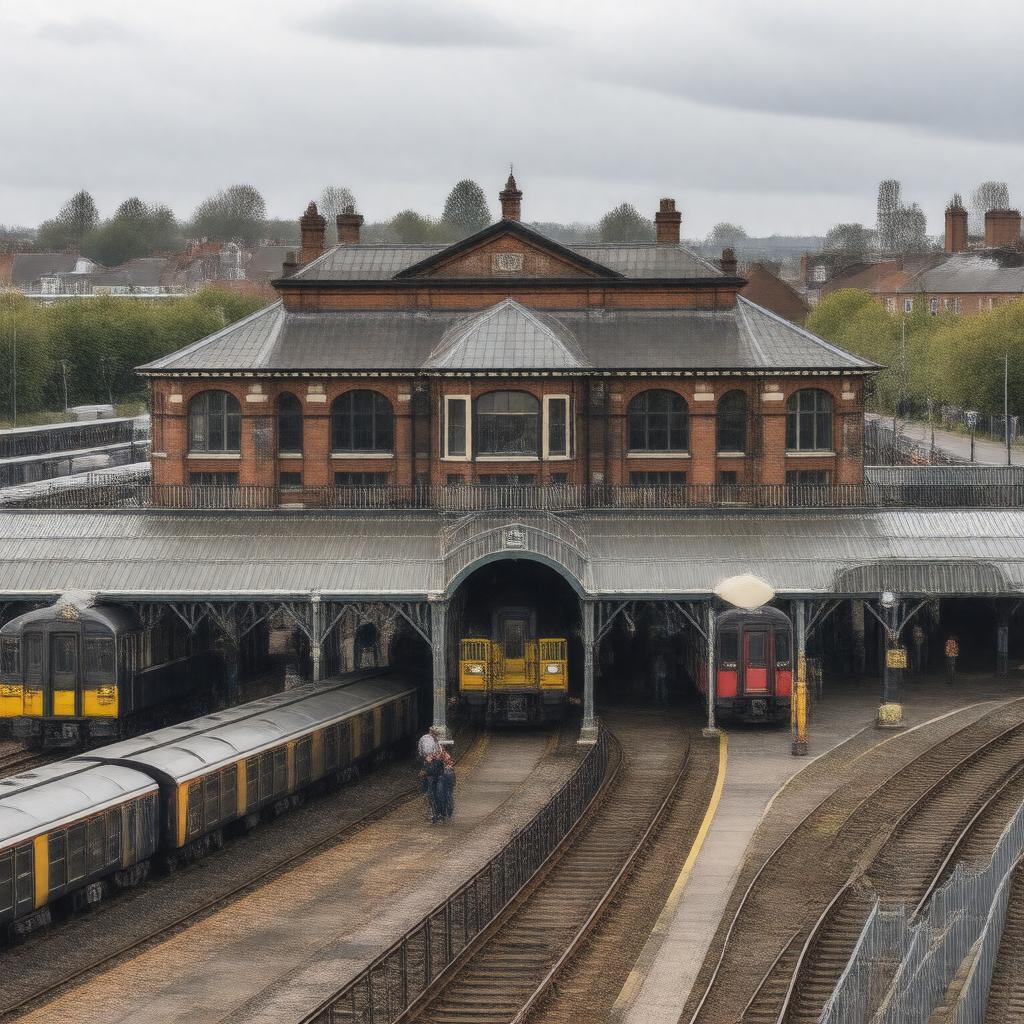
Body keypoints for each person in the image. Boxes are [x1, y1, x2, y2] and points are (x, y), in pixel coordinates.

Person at [424, 752, 445, 823]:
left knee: (436, 799)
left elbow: (432, 772)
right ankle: (435, 815)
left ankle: (439, 815)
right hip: (431, 784)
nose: (429, 756)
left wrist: (428, 764)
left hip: (436, 784)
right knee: (432, 800)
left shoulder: (437, 762)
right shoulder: (428, 763)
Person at [437, 750, 456, 823]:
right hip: (448, 776)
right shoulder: (444, 754)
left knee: (444, 795)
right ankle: (446, 812)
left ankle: (446, 812)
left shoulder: (443, 755)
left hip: (446, 776)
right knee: (446, 794)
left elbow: (449, 763)